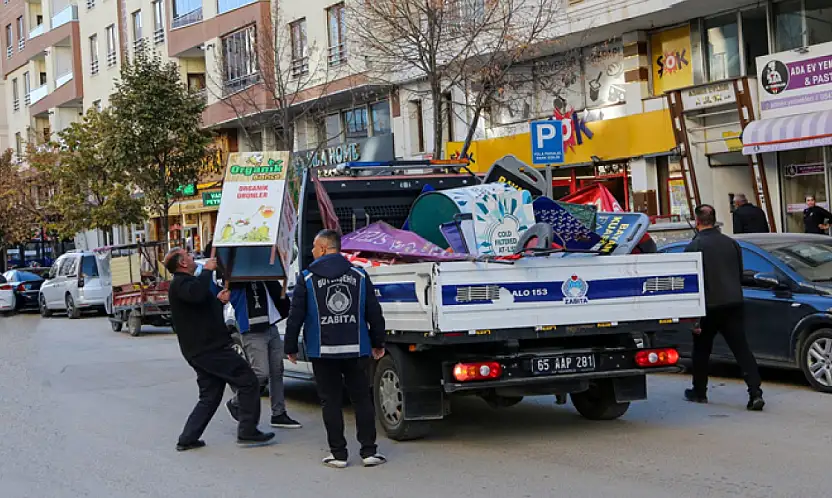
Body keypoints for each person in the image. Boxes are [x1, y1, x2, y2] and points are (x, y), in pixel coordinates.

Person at [285, 229, 387, 468]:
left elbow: (296, 315)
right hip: (356, 348)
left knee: (330, 401)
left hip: (323, 351)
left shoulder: (307, 278)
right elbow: (374, 311)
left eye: (313, 246)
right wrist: (378, 342)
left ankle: (339, 454)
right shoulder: (359, 275)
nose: (311, 251)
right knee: (361, 400)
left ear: (323, 248)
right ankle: (369, 451)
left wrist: (290, 346)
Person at [164, 248, 275, 451]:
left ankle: (188, 438)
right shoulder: (181, 284)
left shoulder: (188, 285)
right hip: (209, 349)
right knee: (248, 381)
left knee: (210, 396)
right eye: (188, 255)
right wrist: (207, 270)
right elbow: (197, 295)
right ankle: (248, 431)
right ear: (182, 263)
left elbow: (200, 310)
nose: (192, 257)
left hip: (203, 349)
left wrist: (219, 301)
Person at [683, 205, 765, 411]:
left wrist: (693, 316)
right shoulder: (731, 243)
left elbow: (690, 282)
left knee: (701, 349)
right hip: (734, 302)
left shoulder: (695, 245)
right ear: (714, 220)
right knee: (741, 349)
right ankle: (755, 392)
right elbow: (739, 274)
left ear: (697, 221)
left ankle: (699, 391)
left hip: (708, 305)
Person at [224, 280, 302, 429]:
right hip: (252, 330)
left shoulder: (265, 275)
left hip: (270, 326)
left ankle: (279, 413)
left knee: (277, 370)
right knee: (261, 372)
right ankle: (236, 402)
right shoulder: (238, 277)